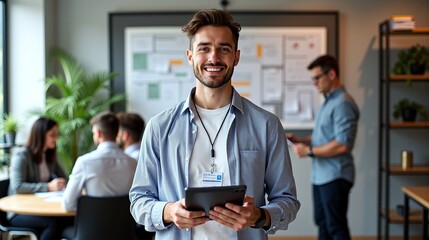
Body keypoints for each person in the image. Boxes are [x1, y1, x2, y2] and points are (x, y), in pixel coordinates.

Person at [129, 9, 300, 240]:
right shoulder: (160, 127)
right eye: (204, 48)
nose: (214, 57)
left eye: (224, 49)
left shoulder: (266, 125)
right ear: (190, 56)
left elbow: (288, 201)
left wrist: (258, 216)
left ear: (236, 57)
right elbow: (139, 201)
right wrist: (169, 211)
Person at [286, 55, 359, 240]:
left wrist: (309, 151)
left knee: (335, 226)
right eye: (312, 79)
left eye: (317, 78)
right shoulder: (329, 101)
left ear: (332, 74)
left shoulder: (343, 103)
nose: (314, 83)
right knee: (323, 224)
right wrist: (303, 140)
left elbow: (343, 144)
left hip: (335, 175)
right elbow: (324, 136)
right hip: (322, 176)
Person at [8, 117, 70, 240]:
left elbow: (64, 177)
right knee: (52, 224)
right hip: (18, 211)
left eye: (57, 134)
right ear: (40, 135)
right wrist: (48, 187)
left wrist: (63, 183)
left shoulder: (49, 155)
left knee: (68, 219)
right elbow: (18, 186)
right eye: (52, 134)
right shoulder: (22, 156)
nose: (56, 138)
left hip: (40, 207)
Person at [63, 112, 137, 211]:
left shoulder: (84, 162)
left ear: (98, 133)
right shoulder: (133, 163)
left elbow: (68, 204)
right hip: (126, 226)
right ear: (117, 133)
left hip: (91, 225)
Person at [116, 112, 154, 240]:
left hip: (132, 223)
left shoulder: (128, 160)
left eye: (117, 132)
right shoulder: (147, 156)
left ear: (125, 135)